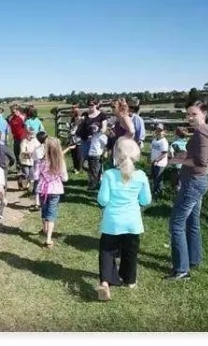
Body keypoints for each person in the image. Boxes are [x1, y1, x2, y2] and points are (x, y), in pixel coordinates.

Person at [165, 101, 208, 281]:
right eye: (188, 114)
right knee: (192, 222)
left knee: (176, 224)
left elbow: (202, 161)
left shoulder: (202, 132)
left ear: (204, 114)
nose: (189, 118)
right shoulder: (207, 130)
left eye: (193, 114)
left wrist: (174, 162)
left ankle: (181, 270)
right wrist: (182, 156)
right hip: (200, 180)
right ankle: (194, 259)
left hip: (194, 182)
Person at [95, 137, 152, 301]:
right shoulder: (141, 176)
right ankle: (130, 280)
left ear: (115, 155)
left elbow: (103, 200)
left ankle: (105, 283)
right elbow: (146, 200)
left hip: (112, 222)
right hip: (133, 223)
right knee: (130, 252)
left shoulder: (109, 175)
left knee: (107, 252)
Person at [35, 137, 68, 249]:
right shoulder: (60, 162)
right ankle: (48, 239)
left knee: (44, 209)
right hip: (55, 190)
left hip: (42, 189)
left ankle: (44, 228)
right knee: (51, 213)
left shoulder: (41, 161)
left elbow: (35, 176)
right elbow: (65, 178)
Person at [76, 99, 107, 166]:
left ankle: (98, 175)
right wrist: (79, 120)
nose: (90, 106)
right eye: (88, 105)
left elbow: (104, 129)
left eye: (92, 105)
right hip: (85, 141)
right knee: (87, 162)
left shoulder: (102, 115)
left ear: (96, 105)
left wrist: (98, 130)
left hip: (96, 142)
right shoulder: (85, 114)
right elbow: (78, 124)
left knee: (96, 161)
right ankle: (91, 175)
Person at [107, 98, 136, 164]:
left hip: (124, 149)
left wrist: (123, 141)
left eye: (114, 107)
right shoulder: (118, 118)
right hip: (118, 148)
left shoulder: (124, 118)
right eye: (111, 106)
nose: (112, 108)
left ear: (120, 107)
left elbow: (132, 132)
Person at [30, 131, 48, 211]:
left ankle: (37, 203)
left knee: (38, 186)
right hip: (48, 169)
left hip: (39, 170)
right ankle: (45, 201)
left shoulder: (37, 149)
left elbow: (34, 159)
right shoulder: (50, 148)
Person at [150, 123, 169, 199]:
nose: (158, 132)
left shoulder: (164, 142)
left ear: (164, 131)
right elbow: (152, 150)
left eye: (160, 130)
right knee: (154, 177)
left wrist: (157, 160)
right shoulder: (154, 140)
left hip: (160, 163)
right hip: (154, 162)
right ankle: (155, 191)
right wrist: (150, 158)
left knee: (158, 179)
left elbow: (164, 153)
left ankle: (159, 193)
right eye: (157, 130)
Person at [87, 123, 108, 191]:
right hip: (91, 155)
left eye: (94, 128)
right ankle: (93, 183)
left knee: (95, 171)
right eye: (92, 128)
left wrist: (104, 152)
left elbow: (106, 144)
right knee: (91, 170)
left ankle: (95, 185)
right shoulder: (94, 135)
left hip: (96, 155)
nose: (93, 129)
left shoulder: (102, 136)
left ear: (99, 128)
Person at [18, 127, 40, 192]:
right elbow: (22, 151)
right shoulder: (24, 141)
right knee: (26, 174)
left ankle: (29, 187)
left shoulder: (35, 141)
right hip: (25, 160)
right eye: (30, 134)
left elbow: (39, 147)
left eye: (33, 134)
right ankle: (20, 179)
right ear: (27, 134)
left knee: (32, 175)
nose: (32, 136)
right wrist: (29, 152)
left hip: (32, 160)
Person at [168, 126, 189, 191]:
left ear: (176, 134)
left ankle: (176, 195)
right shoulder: (187, 142)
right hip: (186, 165)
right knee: (183, 181)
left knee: (175, 181)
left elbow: (171, 154)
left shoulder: (174, 144)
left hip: (176, 166)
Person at [7, 104, 27, 169]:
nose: (12, 112)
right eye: (11, 111)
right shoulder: (10, 118)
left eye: (13, 111)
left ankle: (26, 168)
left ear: (18, 110)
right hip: (15, 138)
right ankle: (19, 167)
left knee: (24, 152)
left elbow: (26, 126)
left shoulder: (23, 117)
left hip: (23, 138)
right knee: (16, 153)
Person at [68, 105, 83, 173]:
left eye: (74, 112)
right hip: (72, 140)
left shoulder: (81, 120)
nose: (72, 113)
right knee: (73, 154)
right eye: (72, 111)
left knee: (78, 155)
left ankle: (79, 168)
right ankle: (75, 167)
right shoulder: (71, 120)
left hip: (78, 140)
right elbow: (70, 128)